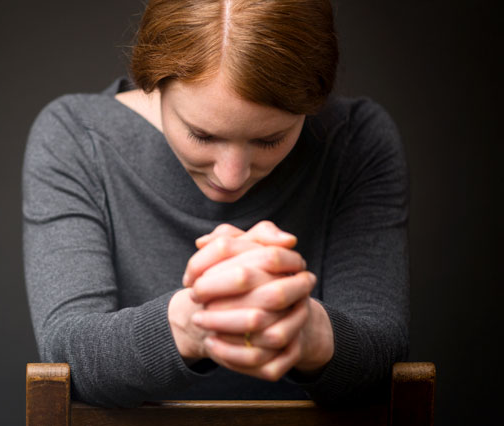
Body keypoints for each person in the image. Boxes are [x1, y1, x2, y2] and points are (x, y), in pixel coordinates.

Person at [22, 0, 409, 408]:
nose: (232, 176)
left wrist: (308, 331)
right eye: (202, 136)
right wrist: (195, 324)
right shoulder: (76, 138)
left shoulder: (357, 142)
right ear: (153, 82)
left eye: (269, 139)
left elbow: (381, 359)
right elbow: (69, 357)